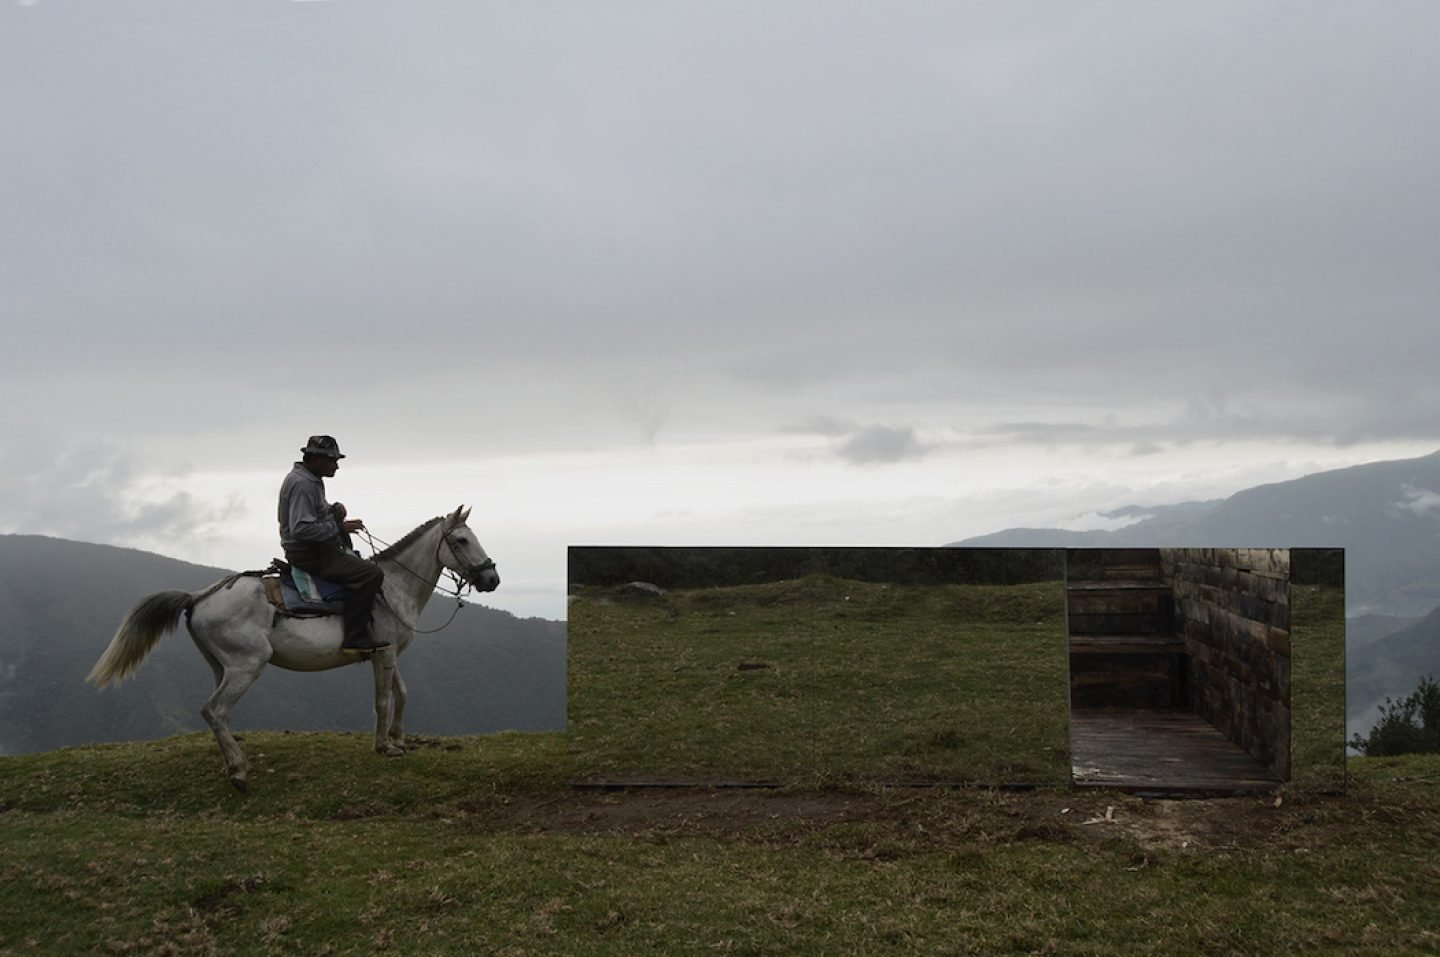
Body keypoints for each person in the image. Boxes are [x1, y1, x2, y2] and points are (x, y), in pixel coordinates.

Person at [278, 435, 388, 653]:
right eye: (332, 460)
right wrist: (340, 528)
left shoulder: (309, 479)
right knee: (371, 574)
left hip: (313, 548)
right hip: (311, 553)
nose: (336, 466)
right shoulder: (303, 484)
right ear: (316, 459)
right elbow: (301, 528)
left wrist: (332, 510)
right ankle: (354, 638)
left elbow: (314, 513)